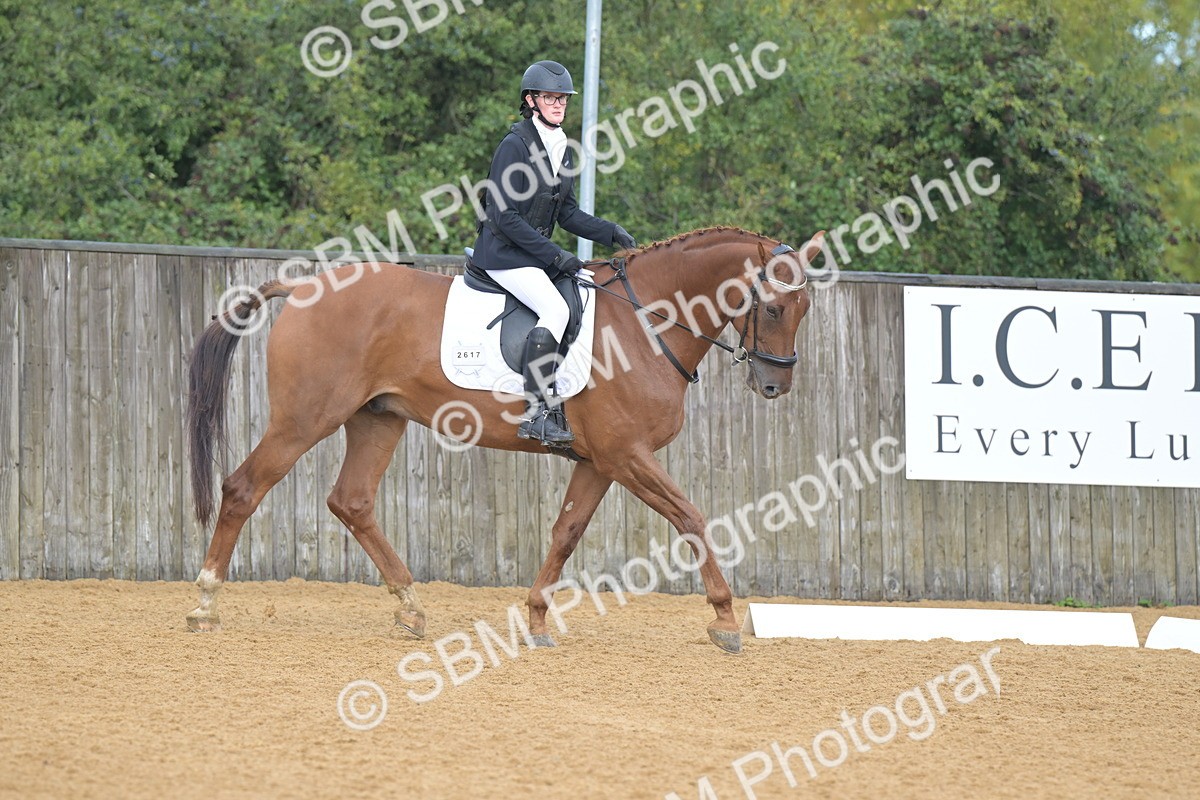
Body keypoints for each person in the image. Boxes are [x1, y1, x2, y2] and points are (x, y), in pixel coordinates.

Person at [472, 59, 637, 446]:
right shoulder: (514, 146)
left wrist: (610, 232)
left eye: (562, 98)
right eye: (550, 97)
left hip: (531, 254)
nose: (559, 104)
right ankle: (536, 412)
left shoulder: (561, 148)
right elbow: (505, 217)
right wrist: (555, 256)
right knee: (556, 309)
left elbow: (566, 213)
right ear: (531, 100)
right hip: (502, 254)